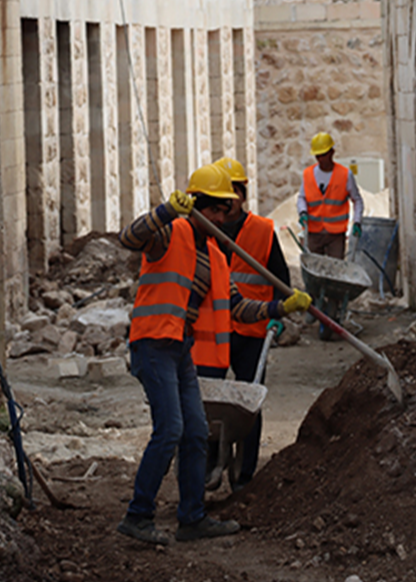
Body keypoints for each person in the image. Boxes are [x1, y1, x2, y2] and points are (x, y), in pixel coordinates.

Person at [117, 163, 312, 545]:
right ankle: (138, 515)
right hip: (152, 345)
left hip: (180, 351)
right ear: (197, 206)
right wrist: (166, 210)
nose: (224, 217)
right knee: (171, 429)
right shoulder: (169, 234)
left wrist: (281, 309)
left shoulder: (217, 257)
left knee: (197, 432)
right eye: (217, 209)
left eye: (227, 210)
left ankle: (192, 517)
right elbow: (129, 237)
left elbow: (240, 308)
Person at [192, 157, 292, 491]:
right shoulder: (207, 229)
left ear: (241, 194)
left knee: (248, 403)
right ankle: (207, 466)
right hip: (215, 333)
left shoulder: (263, 230)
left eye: (232, 192)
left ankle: (244, 476)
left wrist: (280, 313)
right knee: (207, 403)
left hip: (251, 330)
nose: (226, 202)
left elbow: (280, 278)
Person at [297, 131, 364, 259]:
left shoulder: (345, 175)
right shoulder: (308, 174)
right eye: (318, 156)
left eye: (324, 155)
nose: (321, 159)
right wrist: (302, 212)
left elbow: (357, 200)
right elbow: (302, 198)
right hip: (314, 233)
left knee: (336, 269)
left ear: (332, 153)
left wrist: (357, 222)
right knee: (315, 267)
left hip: (336, 234)